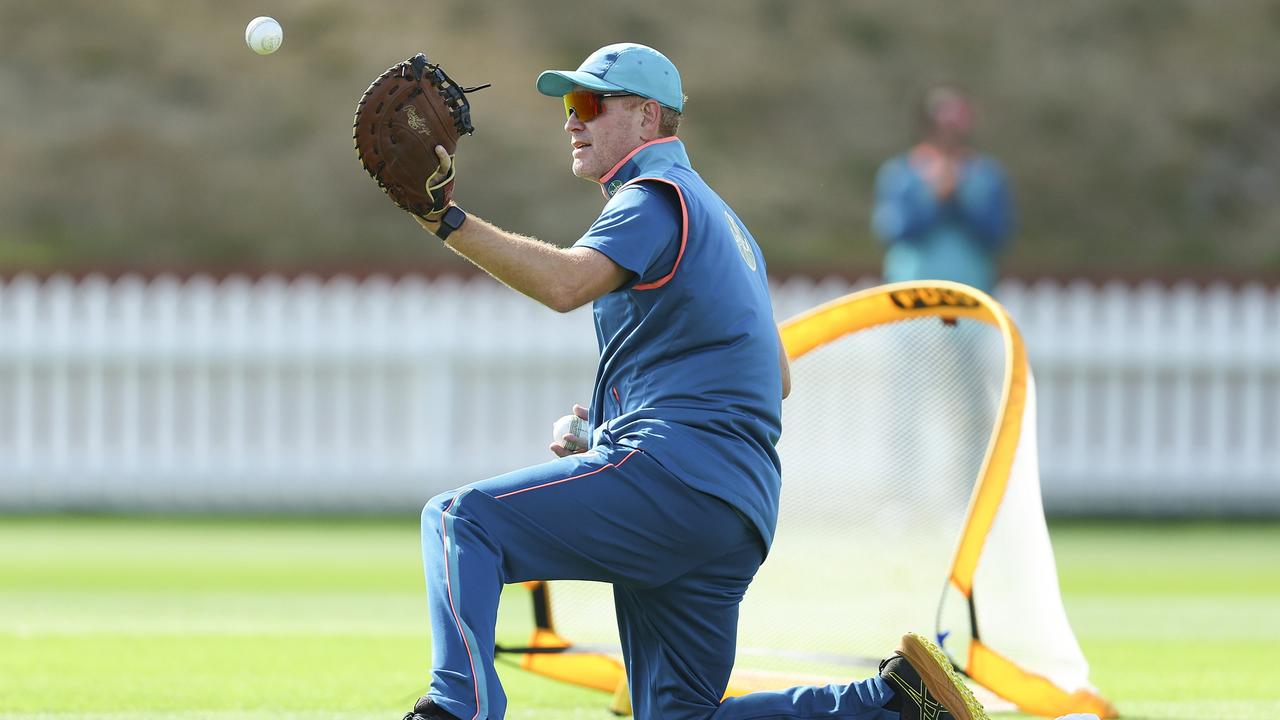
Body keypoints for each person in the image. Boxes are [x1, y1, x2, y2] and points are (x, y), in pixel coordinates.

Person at [403, 43, 988, 720]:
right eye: (569, 105)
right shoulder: (727, 224)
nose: (572, 120)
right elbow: (778, 377)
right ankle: (895, 704)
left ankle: (458, 706)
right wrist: (607, 435)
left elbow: (567, 284)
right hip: (734, 509)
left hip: (676, 478)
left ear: (649, 119)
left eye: (591, 103)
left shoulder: (652, 196)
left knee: (459, 521)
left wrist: (442, 218)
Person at [871, 85, 1014, 294]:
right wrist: (936, 200)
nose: (948, 131)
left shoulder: (987, 175)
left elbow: (996, 234)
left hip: (972, 296)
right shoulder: (900, 173)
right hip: (911, 296)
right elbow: (895, 231)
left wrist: (957, 201)